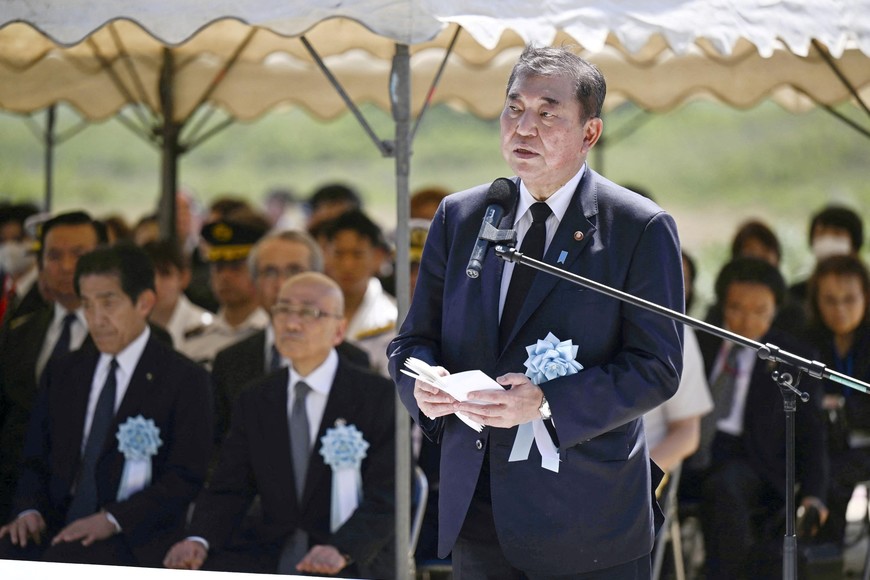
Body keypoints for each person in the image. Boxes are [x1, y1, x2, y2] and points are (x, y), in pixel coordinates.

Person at [388, 45, 684, 578]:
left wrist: (547, 402)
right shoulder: (463, 215)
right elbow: (411, 342)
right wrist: (422, 386)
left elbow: (656, 368)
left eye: (547, 113)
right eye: (513, 108)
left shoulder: (636, 227)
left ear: (590, 133)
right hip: (478, 504)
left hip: (586, 516)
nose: (524, 127)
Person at [163, 273, 396, 577]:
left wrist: (343, 549)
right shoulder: (257, 398)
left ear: (339, 330)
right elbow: (229, 487)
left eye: (310, 313)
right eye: (283, 310)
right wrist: (199, 539)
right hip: (270, 552)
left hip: (353, 557)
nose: (292, 323)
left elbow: (390, 493)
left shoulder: (376, 397)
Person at [0, 243, 213, 567]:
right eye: (87, 305)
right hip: (54, 523)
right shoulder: (65, 371)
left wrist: (113, 518)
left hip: (132, 533)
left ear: (144, 302)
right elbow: (35, 457)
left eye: (108, 303)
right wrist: (28, 509)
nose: (96, 319)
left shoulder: (185, 379)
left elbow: (185, 476)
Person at [681, 257, 829, 579]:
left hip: (753, 462)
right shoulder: (697, 342)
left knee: (725, 488)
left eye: (759, 311)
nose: (746, 320)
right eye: (736, 307)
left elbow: (812, 434)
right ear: (721, 305)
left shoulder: (793, 358)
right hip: (689, 450)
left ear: (776, 309)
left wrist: (814, 494)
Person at [210, 229, 369, 441]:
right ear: (254, 283)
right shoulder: (229, 362)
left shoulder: (352, 359)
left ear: (318, 279)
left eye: (295, 271)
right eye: (270, 272)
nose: (282, 284)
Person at [0, 211, 107, 520]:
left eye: (79, 254)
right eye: (54, 256)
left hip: (90, 502)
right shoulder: (20, 331)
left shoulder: (124, 335)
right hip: (16, 499)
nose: (66, 267)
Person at [803, 255, 870, 550]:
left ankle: (827, 556)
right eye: (830, 300)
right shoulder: (806, 341)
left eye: (849, 299)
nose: (840, 309)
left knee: (833, 477)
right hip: (821, 446)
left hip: (862, 447)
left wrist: (843, 408)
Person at [179, 217, 270, 368]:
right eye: (218, 268)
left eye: (236, 267)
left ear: (257, 272)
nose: (225, 277)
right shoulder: (195, 338)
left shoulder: (270, 335)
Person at [324, 209, 396, 376]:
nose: (347, 265)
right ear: (325, 254)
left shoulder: (394, 319)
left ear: (378, 256)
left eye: (357, 254)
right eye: (338, 254)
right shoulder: (308, 312)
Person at [140, 239, 213, 350]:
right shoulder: (130, 327)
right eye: (148, 274)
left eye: (165, 274)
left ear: (184, 278)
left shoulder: (206, 328)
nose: (155, 284)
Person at [789, 204, 864, 309]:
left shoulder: (866, 289)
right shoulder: (796, 294)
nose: (827, 239)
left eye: (837, 234)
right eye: (821, 233)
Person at [0, 203, 41, 326]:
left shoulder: (48, 291)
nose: (9, 247)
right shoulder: (4, 285)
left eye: (18, 240)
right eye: (2, 241)